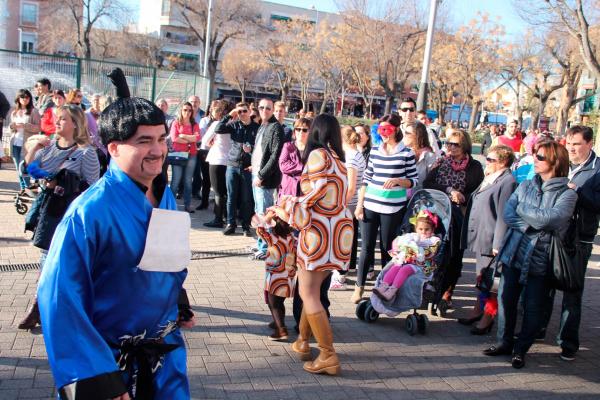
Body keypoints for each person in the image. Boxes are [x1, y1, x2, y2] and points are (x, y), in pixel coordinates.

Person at [37, 68, 194, 399]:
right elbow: (59, 297)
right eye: (143, 141)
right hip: (108, 363)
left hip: (164, 356)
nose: (158, 150)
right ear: (113, 148)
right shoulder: (87, 213)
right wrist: (100, 381)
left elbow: (164, 258)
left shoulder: (164, 194)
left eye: (162, 139)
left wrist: (177, 299)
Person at [271, 114, 353, 376]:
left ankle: (328, 354)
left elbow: (313, 195)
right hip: (336, 234)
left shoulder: (319, 155)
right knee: (313, 291)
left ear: (316, 131)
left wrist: (286, 207)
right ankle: (303, 341)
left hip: (318, 234)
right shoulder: (339, 160)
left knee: (307, 293)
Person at [484, 139, 577, 369]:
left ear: (555, 162)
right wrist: (532, 223)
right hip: (514, 251)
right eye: (535, 154)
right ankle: (504, 342)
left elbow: (551, 219)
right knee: (505, 300)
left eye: (541, 157)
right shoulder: (526, 185)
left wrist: (525, 214)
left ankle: (520, 349)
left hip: (542, 258)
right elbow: (509, 212)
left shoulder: (568, 194)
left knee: (534, 307)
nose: (535, 159)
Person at [17, 104, 100, 331]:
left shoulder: (86, 151)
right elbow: (27, 169)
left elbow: (93, 189)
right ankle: (41, 306)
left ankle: (53, 308)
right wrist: (35, 147)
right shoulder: (50, 147)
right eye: (57, 118)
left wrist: (65, 184)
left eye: (63, 119)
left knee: (66, 263)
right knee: (47, 258)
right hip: (50, 212)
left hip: (71, 216)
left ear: (75, 123)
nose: (57, 122)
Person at [538, 125, 600, 361]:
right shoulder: (561, 163)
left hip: (579, 238)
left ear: (589, 144)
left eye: (577, 144)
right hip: (554, 233)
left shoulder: (597, 169)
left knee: (572, 291)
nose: (572, 148)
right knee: (546, 284)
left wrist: (577, 191)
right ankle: (539, 328)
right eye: (569, 143)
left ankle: (568, 342)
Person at [353, 114, 418, 304]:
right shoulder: (374, 150)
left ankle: (383, 286)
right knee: (366, 247)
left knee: (387, 248)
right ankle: (359, 286)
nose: (383, 134)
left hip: (393, 208)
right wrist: (359, 205)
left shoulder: (406, 153)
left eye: (387, 129)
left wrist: (398, 181)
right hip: (370, 204)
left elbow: (413, 181)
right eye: (380, 129)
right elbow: (366, 178)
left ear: (396, 129)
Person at [424, 128, 484, 307]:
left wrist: (463, 196)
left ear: (464, 145)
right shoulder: (441, 161)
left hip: (460, 215)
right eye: (448, 143)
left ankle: (448, 292)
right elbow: (428, 183)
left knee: (455, 256)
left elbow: (476, 190)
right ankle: (430, 288)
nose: (450, 147)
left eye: (455, 144)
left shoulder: (474, 166)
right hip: (438, 213)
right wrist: (450, 191)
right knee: (436, 252)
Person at [460, 145, 516, 334]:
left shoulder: (507, 182)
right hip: (482, 236)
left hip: (492, 239)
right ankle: (478, 310)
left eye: (491, 160)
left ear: (503, 162)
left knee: (492, 282)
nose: (487, 162)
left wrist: (498, 243)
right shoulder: (491, 178)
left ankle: (488, 317)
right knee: (481, 277)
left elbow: (503, 214)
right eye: (488, 159)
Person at [372, 210, 441, 301]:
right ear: (416, 228)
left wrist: (416, 250)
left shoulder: (433, 240)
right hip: (406, 260)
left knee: (405, 269)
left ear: (432, 229)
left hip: (422, 265)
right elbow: (399, 241)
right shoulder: (412, 236)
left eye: (427, 229)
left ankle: (391, 291)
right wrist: (399, 247)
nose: (423, 232)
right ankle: (383, 286)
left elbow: (430, 253)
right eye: (420, 229)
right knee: (395, 267)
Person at [330, 126, 367, 291]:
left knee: (343, 240)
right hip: (352, 203)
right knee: (349, 240)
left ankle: (340, 275)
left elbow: (351, 186)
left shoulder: (351, 157)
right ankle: (346, 269)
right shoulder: (357, 154)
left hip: (348, 204)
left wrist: (341, 205)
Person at [215, 101, 259, 236]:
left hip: (247, 167)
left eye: (244, 111)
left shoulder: (256, 128)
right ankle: (230, 224)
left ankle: (246, 226)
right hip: (232, 165)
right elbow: (218, 129)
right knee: (231, 197)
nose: (242, 114)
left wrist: (251, 149)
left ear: (250, 112)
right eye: (239, 112)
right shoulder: (234, 125)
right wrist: (229, 115)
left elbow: (260, 149)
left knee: (246, 198)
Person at [253, 211, 297, 341]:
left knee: (273, 304)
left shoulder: (273, 237)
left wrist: (266, 218)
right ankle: (277, 322)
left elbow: (259, 229)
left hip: (275, 276)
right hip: (288, 277)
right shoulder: (291, 237)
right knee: (279, 302)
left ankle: (281, 329)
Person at [250, 98, 284, 260]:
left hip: (265, 178)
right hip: (256, 174)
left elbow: (275, 156)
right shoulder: (263, 125)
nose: (265, 110)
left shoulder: (275, 127)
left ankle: (265, 247)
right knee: (259, 212)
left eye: (268, 108)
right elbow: (261, 152)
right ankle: (260, 243)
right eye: (262, 107)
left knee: (265, 214)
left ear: (272, 110)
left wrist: (262, 175)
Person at [202, 100, 231, 228]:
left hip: (217, 159)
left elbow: (204, 141)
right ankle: (225, 216)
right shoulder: (234, 124)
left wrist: (211, 143)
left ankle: (218, 219)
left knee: (218, 191)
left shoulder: (216, 124)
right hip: (229, 161)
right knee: (225, 190)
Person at [170, 102, 200, 213]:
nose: (187, 112)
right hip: (178, 154)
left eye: (189, 110)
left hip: (191, 154)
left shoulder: (194, 124)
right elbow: (174, 138)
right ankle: (171, 205)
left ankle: (187, 205)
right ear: (181, 111)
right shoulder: (176, 123)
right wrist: (189, 139)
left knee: (188, 181)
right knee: (175, 181)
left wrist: (183, 136)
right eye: (185, 110)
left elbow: (197, 138)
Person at [8, 89, 40, 193]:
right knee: (18, 168)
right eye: (23, 97)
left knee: (24, 167)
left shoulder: (33, 111)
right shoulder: (14, 112)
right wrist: (12, 127)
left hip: (26, 144)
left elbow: (38, 128)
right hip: (15, 142)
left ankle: (29, 187)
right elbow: (11, 128)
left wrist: (25, 126)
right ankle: (23, 189)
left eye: (27, 97)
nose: (25, 99)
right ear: (18, 99)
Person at [278, 117, 311, 199]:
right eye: (298, 129)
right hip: (289, 190)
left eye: (305, 130)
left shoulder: (313, 150)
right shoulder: (288, 146)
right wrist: (302, 167)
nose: (301, 132)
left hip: (306, 190)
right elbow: (283, 166)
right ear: (294, 131)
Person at [403, 123, 438, 192]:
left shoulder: (429, 156)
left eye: (407, 133)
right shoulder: (404, 152)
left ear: (417, 136)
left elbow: (431, 182)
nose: (404, 135)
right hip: (399, 196)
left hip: (418, 197)